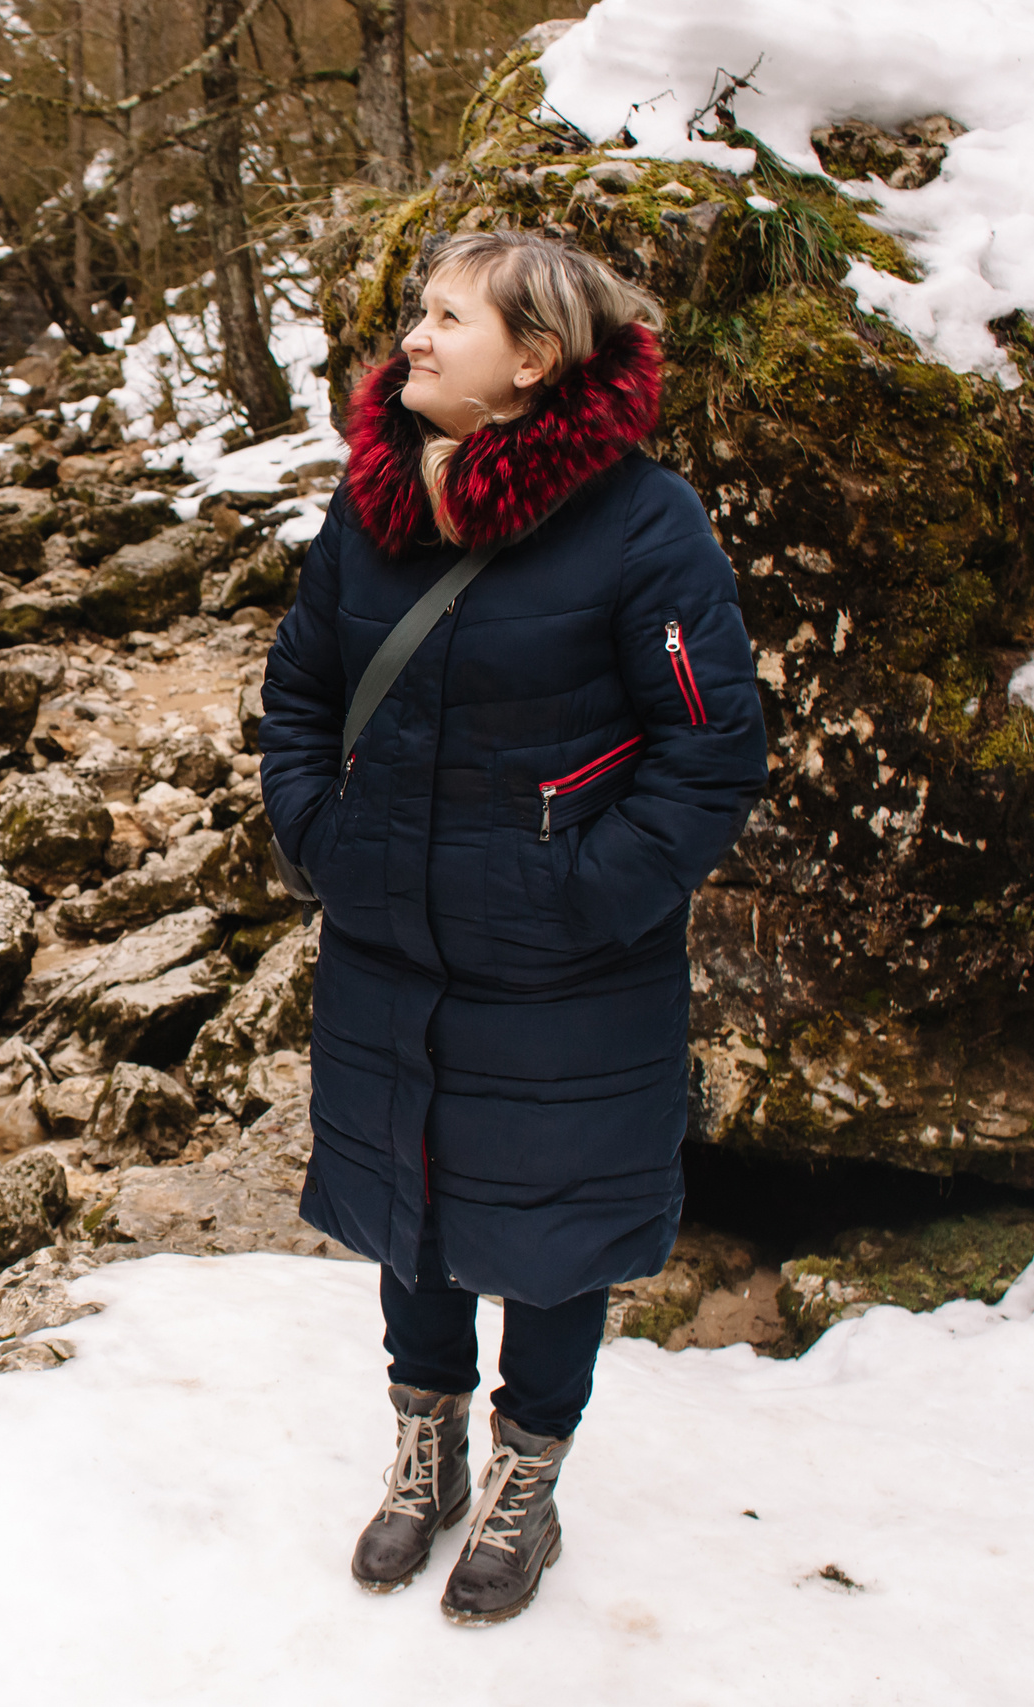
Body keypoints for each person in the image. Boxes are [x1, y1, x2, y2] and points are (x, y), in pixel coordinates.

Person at [257, 230, 770, 1625]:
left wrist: (580, 896)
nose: (410, 340)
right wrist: (322, 839)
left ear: (534, 359)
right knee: (407, 1210)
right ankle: (423, 1458)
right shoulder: (371, 508)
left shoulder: (643, 523)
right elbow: (300, 694)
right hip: (386, 943)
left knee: (554, 1228)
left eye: (445, 319)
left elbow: (709, 750)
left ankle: (524, 1481)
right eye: (416, 317)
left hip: (565, 966)